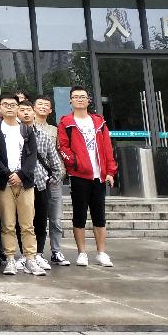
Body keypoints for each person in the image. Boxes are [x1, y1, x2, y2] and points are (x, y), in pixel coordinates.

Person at [58, 85, 117, 267]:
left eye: (83, 97)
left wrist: (110, 171)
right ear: (70, 101)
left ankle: (101, 252)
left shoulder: (99, 122)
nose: (80, 99)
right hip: (79, 175)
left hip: (99, 176)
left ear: (88, 100)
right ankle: (82, 253)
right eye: (76, 97)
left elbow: (107, 148)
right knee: (79, 215)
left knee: (99, 216)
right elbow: (63, 147)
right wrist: (75, 163)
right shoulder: (66, 122)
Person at [0, 92, 45, 276]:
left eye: (13, 105)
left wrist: (21, 175)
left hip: (25, 183)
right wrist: (8, 174)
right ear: (0, 107)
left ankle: (30, 259)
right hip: (4, 183)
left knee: (27, 224)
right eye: (5, 104)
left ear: (18, 107)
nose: (9, 108)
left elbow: (32, 156)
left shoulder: (27, 130)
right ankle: (10, 259)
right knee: (7, 223)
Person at [18, 98, 65, 272]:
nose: (26, 113)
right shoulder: (13, 136)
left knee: (40, 221)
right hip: (19, 185)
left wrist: (48, 180)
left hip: (40, 185)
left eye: (28, 110)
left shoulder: (44, 136)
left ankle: (38, 254)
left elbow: (56, 165)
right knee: (22, 222)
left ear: (34, 113)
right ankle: (25, 255)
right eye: (22, 110)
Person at [33, 95, 70, 266]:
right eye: (39, 104)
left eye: (46, 105)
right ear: (33, 108)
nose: (42, 107)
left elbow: (60, 154)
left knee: (55, 218)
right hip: (35, 180)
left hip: (53, 180)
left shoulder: (55, 130)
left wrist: (58, 175)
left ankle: (56, 251)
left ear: (50, 110)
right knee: (35, 218)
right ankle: (35, 252)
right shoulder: (27, 128)